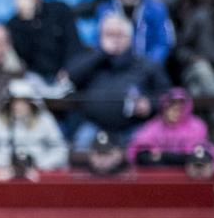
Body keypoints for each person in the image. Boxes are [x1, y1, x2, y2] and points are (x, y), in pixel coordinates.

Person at [66, 12, 170, 149]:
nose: (115, 40)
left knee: (145, 148)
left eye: (119, 35)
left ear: (130, 38)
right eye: (109, 35)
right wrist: (102, 53)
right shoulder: (90, 60)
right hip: (94, 127)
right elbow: (71, 76)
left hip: (133, 127)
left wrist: (150, 104)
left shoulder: (146, 64)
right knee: (80, 148)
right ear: (100, 37)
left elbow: (166, 94)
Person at [6, 0, 81, 84]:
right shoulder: (14, 24)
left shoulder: (60, 10)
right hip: (34, 78)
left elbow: (73, 44)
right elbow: (24, 56)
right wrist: (26, 20)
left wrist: (68, 69)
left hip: (66, 74)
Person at [125, 88, 214, 167]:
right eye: (171, 108)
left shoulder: (197, 126)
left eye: (179, 108)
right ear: (164, 108)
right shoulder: (154, 125)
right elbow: (137, 148)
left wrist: (163, 155)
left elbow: (196, 153)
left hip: (189, 174)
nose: (175, 112)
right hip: (160, 176)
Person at [85, 0, 175, 65]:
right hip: (112, 70)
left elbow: (163, 43)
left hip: (147, 68)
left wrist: (150, 65)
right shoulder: (104, 9)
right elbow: (98, 42)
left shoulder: (156, 9)